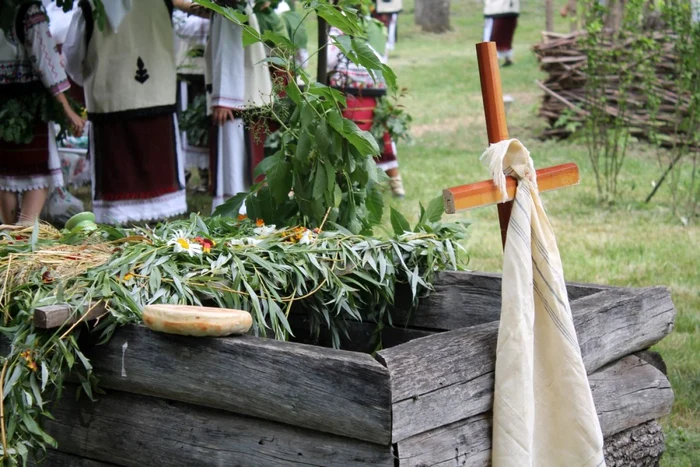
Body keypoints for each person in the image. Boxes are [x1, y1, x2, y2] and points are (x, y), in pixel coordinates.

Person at [63, 0, 187, 224]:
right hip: (155, 95)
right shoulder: (162, 3)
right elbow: (174, 46)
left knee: (118, 188)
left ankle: (122, 234)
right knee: (157, 183)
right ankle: (156, 232)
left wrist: (94, 79)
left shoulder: (91, 5)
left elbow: (72, 56)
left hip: (111, 98)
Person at [0, 0, 84, 225]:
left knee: (5, 175)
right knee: (38, 175)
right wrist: (67, 109)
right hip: (28, 109)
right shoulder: (29, 12)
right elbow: (46, 63)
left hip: (2, 108)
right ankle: (23, 233)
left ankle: (9, 233)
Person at [205, 0, 272, 211]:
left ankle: (238, 209)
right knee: (238, 156)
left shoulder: (230, 5)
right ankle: (240, 207)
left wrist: (224, 99)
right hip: (240, 94)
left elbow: (230, 49)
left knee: (235, 156)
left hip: (236, 99)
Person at [327, 20, 406, 197]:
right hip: (373, 94)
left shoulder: (338, 28)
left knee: (348, 138)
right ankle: (396, 183)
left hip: (348, 98)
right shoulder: (374, 27)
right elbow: (382, 59)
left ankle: (353, 182)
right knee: (383, 138)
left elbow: (329, 60)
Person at [483, 0, 520, 66]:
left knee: (492, 39)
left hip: (496, 10)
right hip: (511, 9)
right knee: (505, 36)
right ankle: (507, 58)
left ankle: (493, 63)